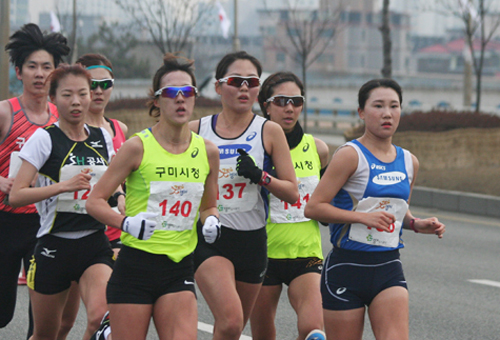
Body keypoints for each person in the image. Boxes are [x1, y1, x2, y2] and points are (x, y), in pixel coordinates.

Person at [86, 53, 220, 340]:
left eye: (188, 92)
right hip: (135, 267)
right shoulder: (137, 147)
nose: (181, 99)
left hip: (179, 267)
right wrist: (126, 223)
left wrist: (211, 221)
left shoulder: (208, 151)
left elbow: (209, 206)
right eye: (172, 92)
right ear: (157, 101)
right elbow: (94, 201)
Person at [304, 79, 446, 340]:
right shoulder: (350, 155)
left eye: (394, 106)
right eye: (378, 106)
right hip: (346, 267)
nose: (387, 113)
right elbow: (313, 208)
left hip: (388, 266)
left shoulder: (409, 161)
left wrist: (415, 223)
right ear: (361, 112)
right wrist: (361, 217)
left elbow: (397, 211)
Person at [189, 51, 299, 340]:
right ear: (217, 86)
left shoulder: (269, 130)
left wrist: (260, 176)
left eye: (251, 82)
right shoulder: (196, 131)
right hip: (211, 238)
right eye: (235, 81)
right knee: (229, 320)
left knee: (233, 330)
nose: (243, 88)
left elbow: (291, 192)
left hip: (252, 241)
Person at [9, 64, 115, 340]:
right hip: (53, 246)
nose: (77, 101)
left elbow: (112, 185)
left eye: (82, 93)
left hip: (94, 243)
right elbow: (17, 194)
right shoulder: (44, 139)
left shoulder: (103, 137)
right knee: (48, 333)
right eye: (67, 95)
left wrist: (122, 198)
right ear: (53, 99)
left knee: (101, 318)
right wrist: (63, 186)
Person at [0, 23, 80, 340]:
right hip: (4, 223)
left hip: (45, 226)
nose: (39, 74)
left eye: (47, 67)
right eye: (32, 66)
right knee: (3, 312)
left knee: (44, 317)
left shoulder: (60, 120)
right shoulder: (6, 113)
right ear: (18, 71)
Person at [250, 72, 329, 340]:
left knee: (314, 332)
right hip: (263, 254)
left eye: (296, 101)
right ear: (265, 105)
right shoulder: (253, 149)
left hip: (305, 254)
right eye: (281, 101)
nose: (289, 108)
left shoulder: (318, 149)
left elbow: (329, 199)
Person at [76, 53, 128, 258]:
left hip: (117, 228)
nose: (99, 91)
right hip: (81, 227)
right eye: (92, 84)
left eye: (105, 84)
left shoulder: (120, 128)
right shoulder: (71, 132)